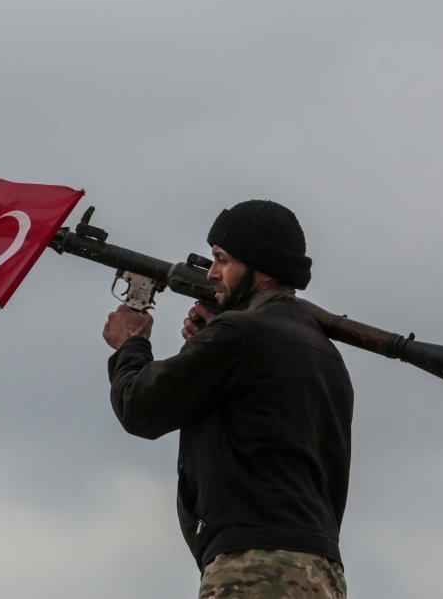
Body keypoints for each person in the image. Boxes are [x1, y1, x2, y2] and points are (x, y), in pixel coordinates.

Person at [101, 200, 353, 598]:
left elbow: (141, 408)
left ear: (263, 269)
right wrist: (207, 342)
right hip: (322, 571)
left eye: (222, 259)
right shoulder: (325, 353)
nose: (212, 273)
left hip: (255, 565)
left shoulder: (238, 334)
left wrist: (130, 346)